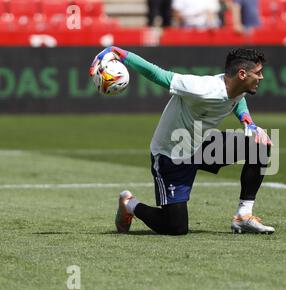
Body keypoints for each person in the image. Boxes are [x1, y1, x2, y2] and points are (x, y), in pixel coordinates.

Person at [89, 46, 275, 235]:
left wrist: (248, 122)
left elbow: (238, 98)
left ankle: (243, 216)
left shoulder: (238, 85)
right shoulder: (201, 88)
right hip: (171, 154)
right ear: (242, 74)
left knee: (259, 145)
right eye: (258, 73)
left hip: (200, 146)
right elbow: (157, 74)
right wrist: (119, 53)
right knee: (176, 228)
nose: (261, 77)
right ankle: (129, 204)